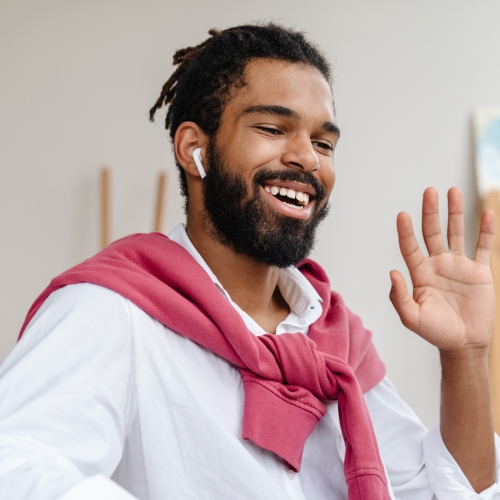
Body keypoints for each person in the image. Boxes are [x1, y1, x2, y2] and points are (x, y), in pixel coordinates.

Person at [0, 23, 498, 500]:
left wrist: (467, 356)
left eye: (323, 143)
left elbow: (441, 493)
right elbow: (17, 468)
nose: (308, 158)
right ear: (194, 148)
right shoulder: (113, 312)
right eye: (273, 128)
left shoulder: (334, 343)